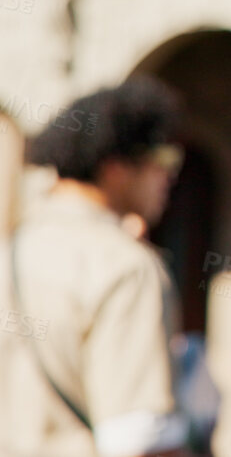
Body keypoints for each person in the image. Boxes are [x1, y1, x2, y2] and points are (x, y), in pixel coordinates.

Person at [2, 77, 189, 457]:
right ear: (115, 167)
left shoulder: (11, 250)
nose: (169, 176)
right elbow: (141, 442)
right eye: (163, 159)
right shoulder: (126, 267)